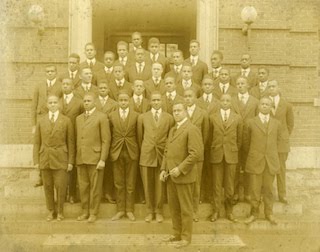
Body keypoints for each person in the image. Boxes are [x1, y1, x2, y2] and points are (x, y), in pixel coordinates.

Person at [160, 101, 202, 249]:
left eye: (179, 110)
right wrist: (164, 169)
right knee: (174, 208)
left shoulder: (192, 129)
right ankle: (176, 233)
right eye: (174, 111)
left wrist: (180, 169)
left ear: (186, 112)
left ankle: (186, 238)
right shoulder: (173, 130)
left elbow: (195, 154)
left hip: (184, 176)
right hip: (171, 176)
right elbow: (167, 151)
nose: (176, 113)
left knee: (185, 209)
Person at [33, 95, 74, 221]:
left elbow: (71, 142)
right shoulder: (41, 120)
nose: (52, 104)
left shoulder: (66, 121)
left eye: (55, 102)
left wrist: (70, 161)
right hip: (45, 157)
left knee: (60, 186)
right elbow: (36, 142)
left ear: (59, 104)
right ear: (46, 105)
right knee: (48, 186)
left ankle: (60, 211)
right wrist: (36, 161)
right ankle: (51, 211)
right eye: (50, 102)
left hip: (61, 158)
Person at [137, 91, 174, 223]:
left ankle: (158, 211)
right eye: (154, 100)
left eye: (158, 100)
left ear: (162, 101)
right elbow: (140, 137)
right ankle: (149, 211)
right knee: (147, 184)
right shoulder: (142, 117)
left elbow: (170, 138)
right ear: (150, 102)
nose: (156, 102)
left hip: (162, 155)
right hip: (147, 154)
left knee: (160, 184)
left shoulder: (169, 118)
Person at [244, 97, 281, 225]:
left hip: (270, 162)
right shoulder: (250, 122)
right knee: (254, 190)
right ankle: (254, 213)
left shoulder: (276, 123)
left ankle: (269, 213)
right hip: (255, 161)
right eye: (262, 104)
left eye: (267, 104)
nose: (264, 106)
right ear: (258, 106)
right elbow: (246, 143)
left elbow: (278, 142)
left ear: (271, 107)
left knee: (269, 189)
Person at [75, 92, 111, 223]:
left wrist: (102, 159)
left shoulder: (101, 117)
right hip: (81, 158)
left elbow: (106, 140)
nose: (86, 103)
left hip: (95, 158)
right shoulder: (78, 119)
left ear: (95, 102)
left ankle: (93, 212)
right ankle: (85, 211)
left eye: (89, 101)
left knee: (95, 188)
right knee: (83, 187)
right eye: (84, 101)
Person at [209, 94, 243, 222]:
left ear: (231, 102)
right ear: (219, 102)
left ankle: (229, 211)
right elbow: (209, 137)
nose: (225, 102)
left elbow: (239, 139)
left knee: (229, 185)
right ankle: (216, 211)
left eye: (228, 100)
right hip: (216, 154)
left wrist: (232, 149)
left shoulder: (237, 118)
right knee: (216, 185)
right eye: (222, 100)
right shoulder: (212, 118)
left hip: (231, 155)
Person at [109, 91, 140, 222]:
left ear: (129, 101)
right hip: (116, 152)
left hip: (131, 152)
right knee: (118, 182)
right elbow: (109, 135)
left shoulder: (136, 116)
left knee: (131, 182)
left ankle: (130, 210)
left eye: (125, 100)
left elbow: (139, 135)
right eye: (121, 100)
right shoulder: (111, 116)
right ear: (117, 101)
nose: (123, 102)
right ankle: (120, 210)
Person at [31, 64, 62, 187]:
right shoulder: (39, 86)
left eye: (52, 71)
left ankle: (53, 175)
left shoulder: (60, 86)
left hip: (54, 120)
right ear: (45, 73)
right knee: (39, 145)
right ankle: (40, 175)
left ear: (56, 72)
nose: (50, 73)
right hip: (40, 120)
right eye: (47, 71)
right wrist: (33, 124)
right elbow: (33, 106)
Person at [231, 76, 259, 204]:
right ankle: (235, 192)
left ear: (248, 85)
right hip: (235, 138)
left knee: (249, 166)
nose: (240, 85)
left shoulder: (255, 102)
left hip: (250, 139)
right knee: (235, 166)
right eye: (238, 83)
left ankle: (248, 193)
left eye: (242, 83)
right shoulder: (231, 101)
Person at [268, 80, 294, 204]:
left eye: (273, 86)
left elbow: (290, 124)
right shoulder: (264, 103)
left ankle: (282, 194)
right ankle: (267, 194)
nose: (271, 88)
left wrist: (283, 137)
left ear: (278, 88)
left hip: (281, 143)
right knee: (267, 169)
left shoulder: (286, 105)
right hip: (268, 143)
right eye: (269, 87)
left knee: (281, 169)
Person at [184, 88, 208, 222]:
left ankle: (194, 211)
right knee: (184, 183)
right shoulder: (180, 112)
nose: (188, 98)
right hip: (182, 154)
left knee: (196, 183)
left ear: (195, 98)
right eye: (186, 96)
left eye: (190, 96)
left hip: (197, 154)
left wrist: (198, 149)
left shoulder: (203, 114)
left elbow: (205, 135)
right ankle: (185, 210)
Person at [60, 78, 84, 204]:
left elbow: (82, 120)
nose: (65, 86)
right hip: (59, 139)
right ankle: (62, 194)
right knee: (61, 166)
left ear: (72, 87)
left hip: (74, 138)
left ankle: (72, 194)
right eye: (63, 84)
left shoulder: (79, 103)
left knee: (73, 165)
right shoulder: (57, 102)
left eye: (68, 84)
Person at [95, 80, 118, 204]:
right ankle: (98, 194)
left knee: (108, 167)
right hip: (95, 138)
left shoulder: (114, 104)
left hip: (109, 137)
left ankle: (108, 192)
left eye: (105, 88)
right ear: (98, 90)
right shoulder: (94, 103)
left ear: (108, 90)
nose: (103, 89)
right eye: (101, 88)